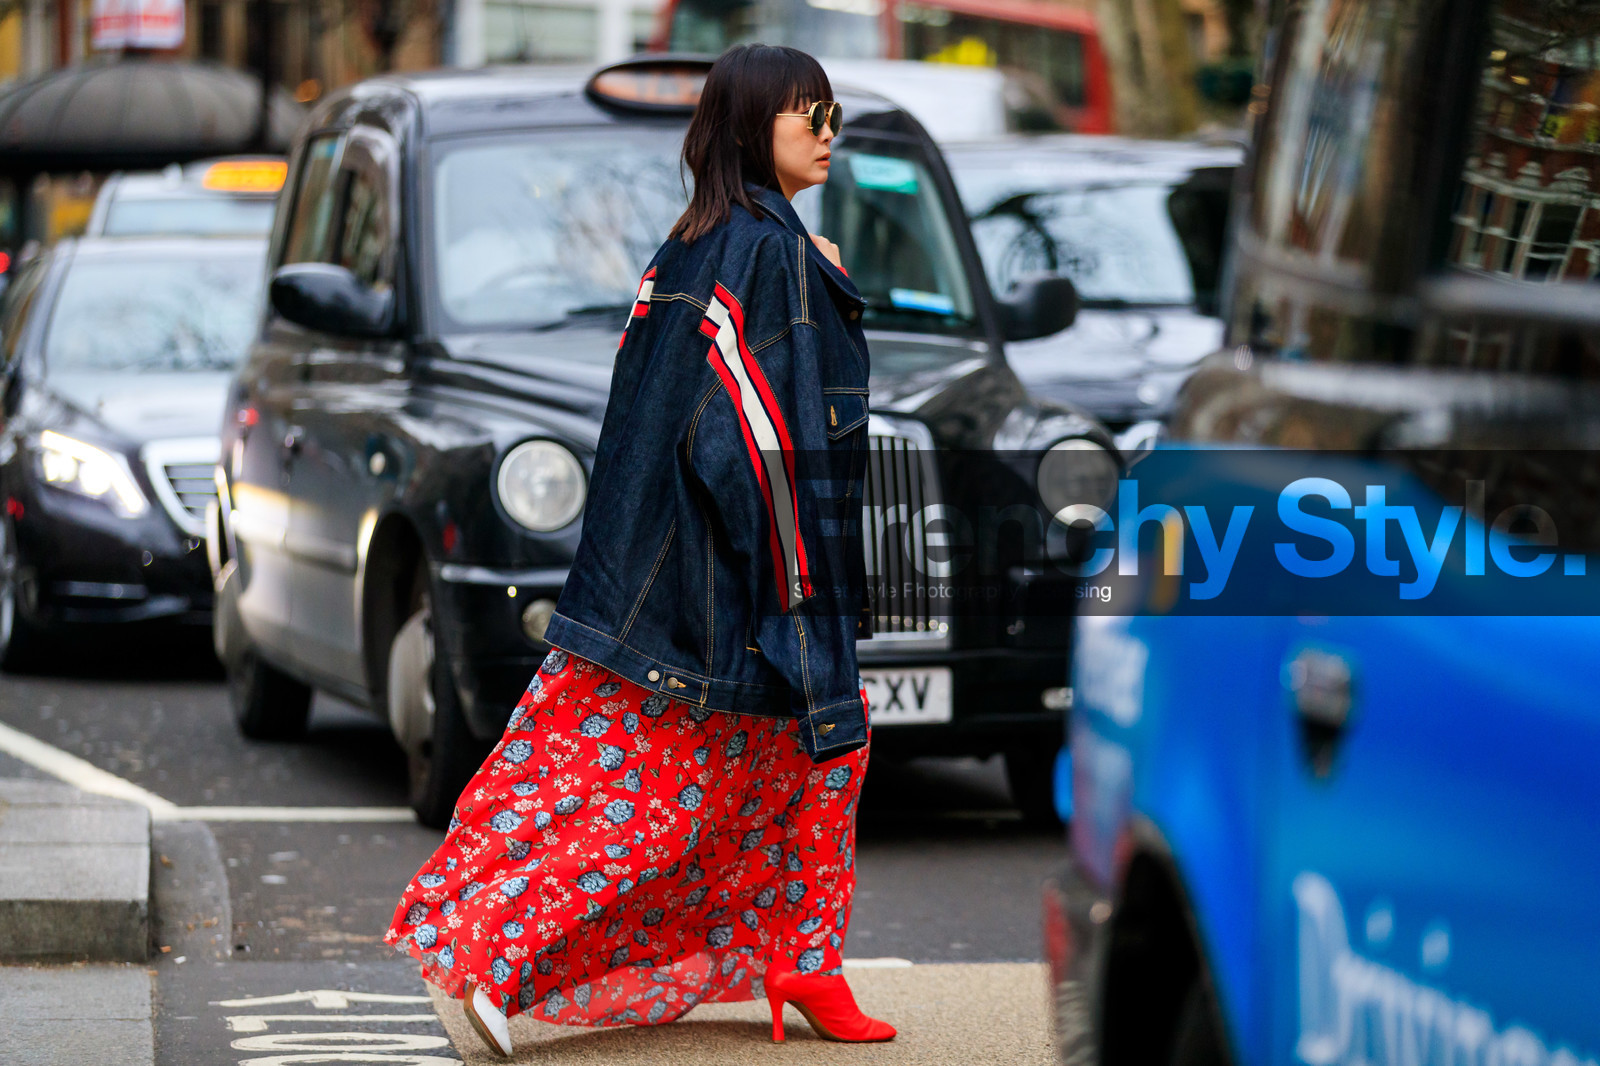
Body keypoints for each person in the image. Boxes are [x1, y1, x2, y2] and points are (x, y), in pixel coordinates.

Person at [383, 43, 893, 1057]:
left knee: (785, 762)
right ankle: (502, 951)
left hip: (657, 569)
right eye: (808, 117)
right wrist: (791, 590)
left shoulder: (690, 247)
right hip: (731, 580)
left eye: (830, 115)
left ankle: (806, 958)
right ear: (755, 129)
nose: (827, 134)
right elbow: (755, 444)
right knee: (666, 791)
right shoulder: (767, 253)